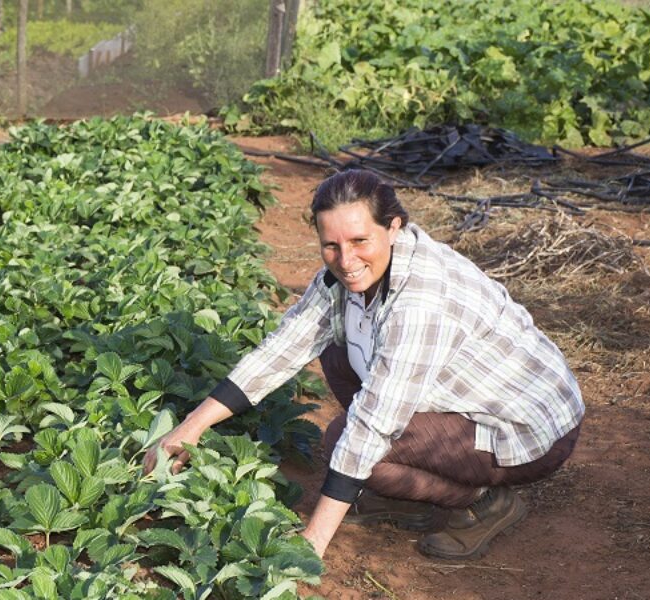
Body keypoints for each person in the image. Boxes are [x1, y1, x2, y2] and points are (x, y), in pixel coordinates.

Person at [145, 170, 584, 560]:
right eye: (331, 246)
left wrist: (312, 541)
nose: (346, 260)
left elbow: (372, 426)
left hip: (525, 428)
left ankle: (483, 501)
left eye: (359, 241)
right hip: (463, 400)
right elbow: (283, 348)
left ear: (393, 227)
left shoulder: (421, 300)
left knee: (348, 442)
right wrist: (190, 428)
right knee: (335, 350)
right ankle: (403, 493)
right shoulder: (345, 277)